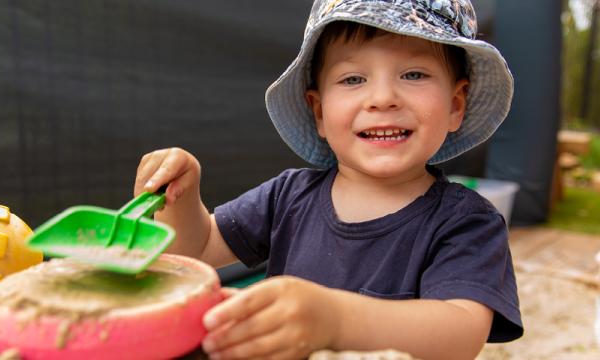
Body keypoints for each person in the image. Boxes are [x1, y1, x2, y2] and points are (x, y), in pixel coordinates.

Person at [134, 0, 523, 359]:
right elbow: (196, 250)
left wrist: (335, 321)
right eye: (353, 79)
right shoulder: (288, 196)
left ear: (455, 105)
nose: (382, 97)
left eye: (414, 74)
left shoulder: (467, 222)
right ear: (318, 111)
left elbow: (462, 332)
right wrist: (180, 199)